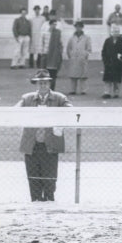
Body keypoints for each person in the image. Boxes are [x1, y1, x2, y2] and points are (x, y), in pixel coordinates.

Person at [16, 70, 72, 202]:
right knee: (33, 177)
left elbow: (71, 110)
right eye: (40, 83)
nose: (43, 86)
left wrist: (58, 120)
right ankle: (35, 201)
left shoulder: (59, 98)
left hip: (50, 144)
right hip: (32, 144)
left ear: (49, 83)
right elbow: (14, 111)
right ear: (36, 84)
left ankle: (49, 200)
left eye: (45, 83)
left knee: (50, 177)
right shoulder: (27, 98)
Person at [64, 20, 92, 95]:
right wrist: (70, 55)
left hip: (82, 58)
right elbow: (68, 48)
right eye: (77, 27)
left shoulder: (86, 38)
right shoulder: (72, 38)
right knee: (73, 75)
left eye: (80, 27)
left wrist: (85, 55)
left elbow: (89, 48)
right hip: (74, 58)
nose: (78, 28)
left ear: (82, 27)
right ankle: (73, 90)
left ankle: (83, 90)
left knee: (83, 75)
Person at [101, 24, 122, 99]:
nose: (115, 33)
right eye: (113, 31)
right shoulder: (107, 41)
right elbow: (103, 51)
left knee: (117, 79)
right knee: (107, 79)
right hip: (108, 62)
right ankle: (107, 92)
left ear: (119, 32)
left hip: (118, 63)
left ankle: (116, 93)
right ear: (111, 32)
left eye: (117, 31)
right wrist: (105, 60)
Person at [42, 16, 64, 89]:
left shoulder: (58, 33)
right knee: (45, 74)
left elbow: (60, 44)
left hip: (54, 56)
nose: (54, 26)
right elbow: (42, 43)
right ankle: (45, 89)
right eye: (53, 24)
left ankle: (52, 89)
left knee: (53, 74)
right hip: (46, 55)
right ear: (50, 24)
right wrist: (42, 53)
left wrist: (59, 53)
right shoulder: (45, 33)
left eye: (55, 24)